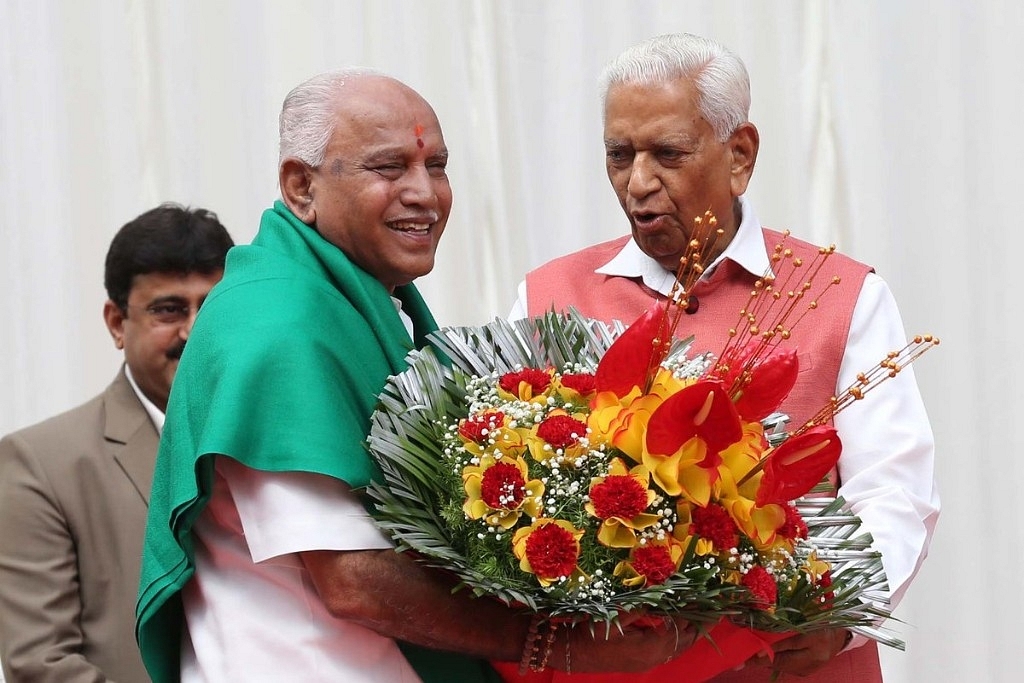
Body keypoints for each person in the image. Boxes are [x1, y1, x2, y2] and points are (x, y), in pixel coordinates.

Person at [134, 68, 696, 683]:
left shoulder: (350, 299)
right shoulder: (276, 321)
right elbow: (353, 580)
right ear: (301, 186)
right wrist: (558, 644)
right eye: (388, 168)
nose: (424, 194)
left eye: (437, 167)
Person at [510, 33, 940, 682]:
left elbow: (893, 489)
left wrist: (838, 614)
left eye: (668, 154)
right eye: (619, 155)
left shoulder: (843, 294)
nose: (638, 182)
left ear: (739, 154)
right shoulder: (546, 295)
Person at [0, 203, 234, 682]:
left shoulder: (271, 441)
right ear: (115, 322)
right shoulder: (40, 464)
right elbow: (39, 664)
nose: (193, 331)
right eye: (168, 310)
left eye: (211, 308)